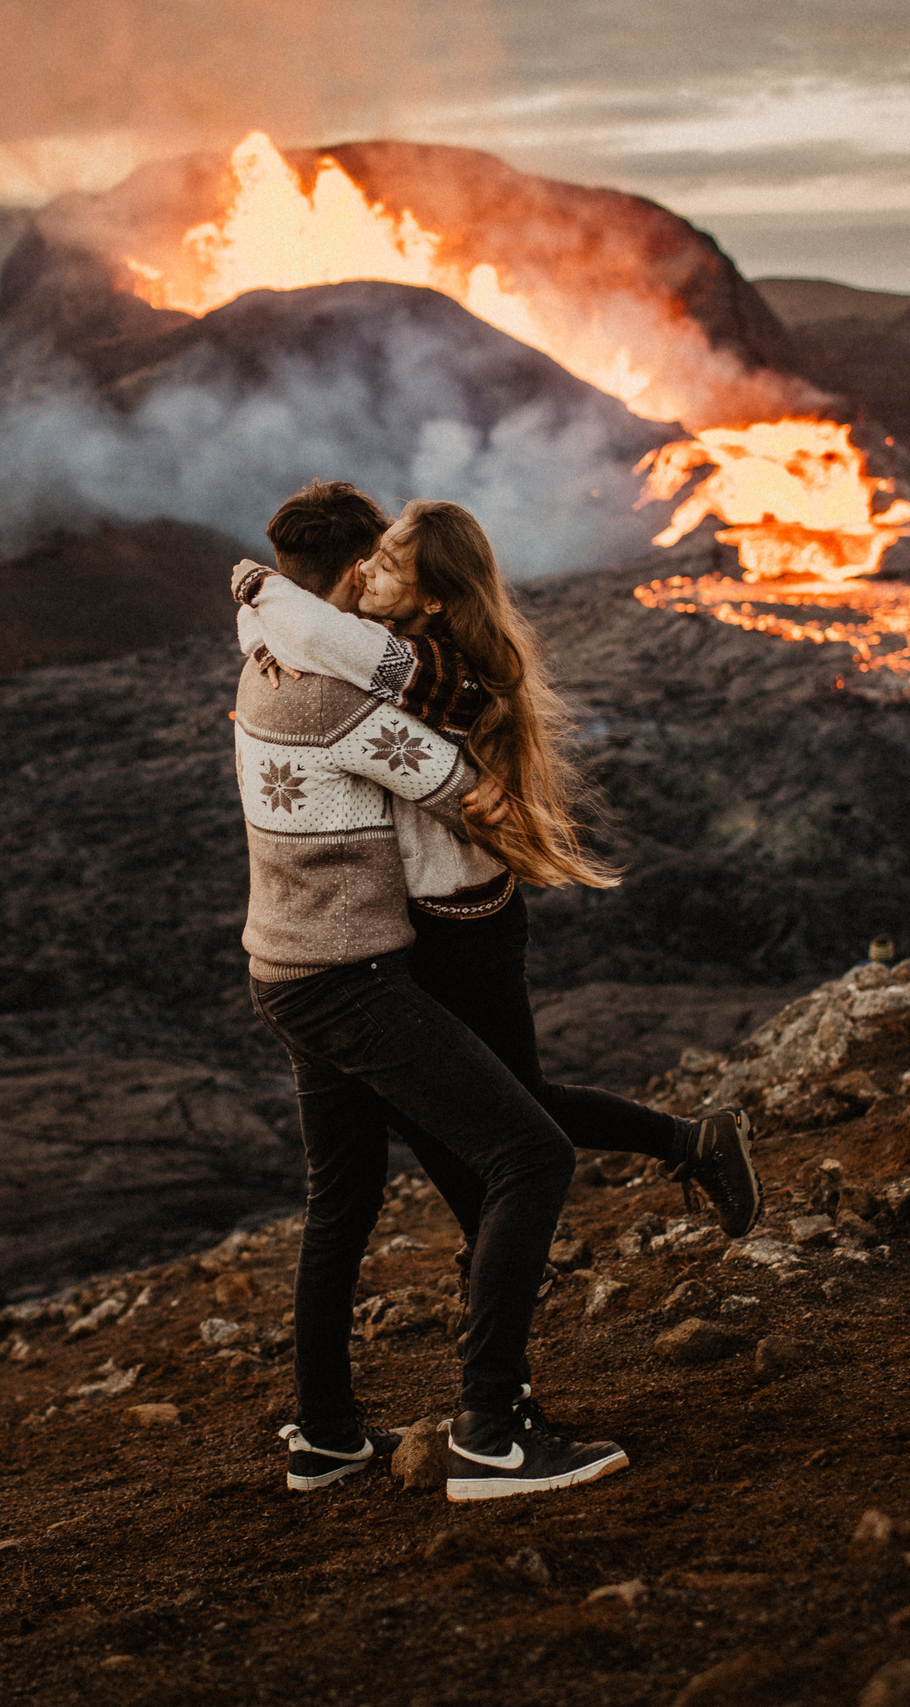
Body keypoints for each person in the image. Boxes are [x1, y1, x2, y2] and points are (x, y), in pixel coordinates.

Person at [235, 492, 760, 1498]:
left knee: (348, 1195)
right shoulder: (350, 696)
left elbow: (286, 613)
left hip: (284, 969)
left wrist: (252, 585)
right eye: (374, 558)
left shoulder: (265, 646)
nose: (377, 577)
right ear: (351, 577)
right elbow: (463, 793)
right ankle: (491, 1432)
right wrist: (490, 792)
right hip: (354, 975)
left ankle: (327, 1437)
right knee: (524, 1148)